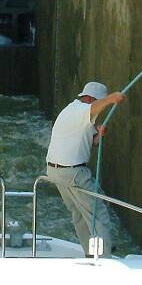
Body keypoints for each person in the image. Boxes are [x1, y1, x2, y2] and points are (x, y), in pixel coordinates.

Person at [46, 81, 125, 256]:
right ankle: (103, 259)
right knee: (98, 213)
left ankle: (90, 254)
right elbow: (94, 108)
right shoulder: (80, 110)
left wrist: (99, 136)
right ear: (89, 98)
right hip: (73, 172)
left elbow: (92, 143)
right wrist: (111, 99)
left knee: (80, 214)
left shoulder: (71, 113)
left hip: (56, 172)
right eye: (98, 102)